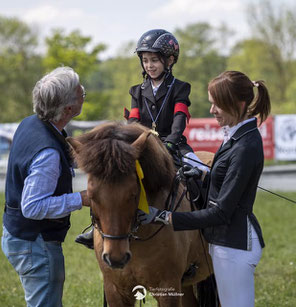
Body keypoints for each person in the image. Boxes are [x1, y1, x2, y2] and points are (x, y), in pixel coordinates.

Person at [139, 70, 271, 307]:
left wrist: (165, 217)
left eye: (217, 105)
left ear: (238, 104)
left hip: (235, 245)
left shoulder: (245, 146)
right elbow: (225, 182)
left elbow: (220, 213)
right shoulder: (235, 136)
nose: (212, 111)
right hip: (225, 243)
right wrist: (205, 174)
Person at [75, 29, 207, 248]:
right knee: (112, 181)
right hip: (143, 146)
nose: (149, 65)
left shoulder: (181, 88)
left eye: (154, 60)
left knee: (202, 173)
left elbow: (180, 118)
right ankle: (95, 229)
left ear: (170, 60)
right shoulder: (137, 90)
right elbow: (133, 123)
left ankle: (205, 227)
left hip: (173, 144)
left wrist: (171, 141)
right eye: (145, 60)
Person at [1, 66, 89, 307]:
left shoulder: (31, 124)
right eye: (79, 89)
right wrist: (82, 198)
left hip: (20, 236)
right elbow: (32, 207)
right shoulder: (48, 152)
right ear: (69, 109)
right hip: (35, 245)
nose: (83, 91)